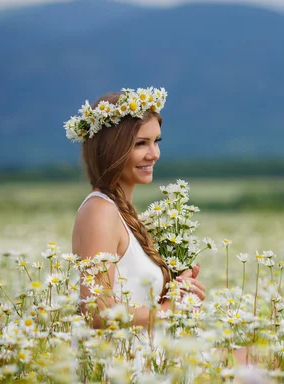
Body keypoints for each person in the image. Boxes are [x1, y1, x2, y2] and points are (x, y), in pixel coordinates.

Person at [66, 87, 205, 329]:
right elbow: (97, 311)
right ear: (111, 150)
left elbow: (134, 301)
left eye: (156, 141)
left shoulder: (124, 212)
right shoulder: (100, 211)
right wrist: (168, 311)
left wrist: (177, 292)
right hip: (117, 363)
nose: (154, 154)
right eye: (141, 144)